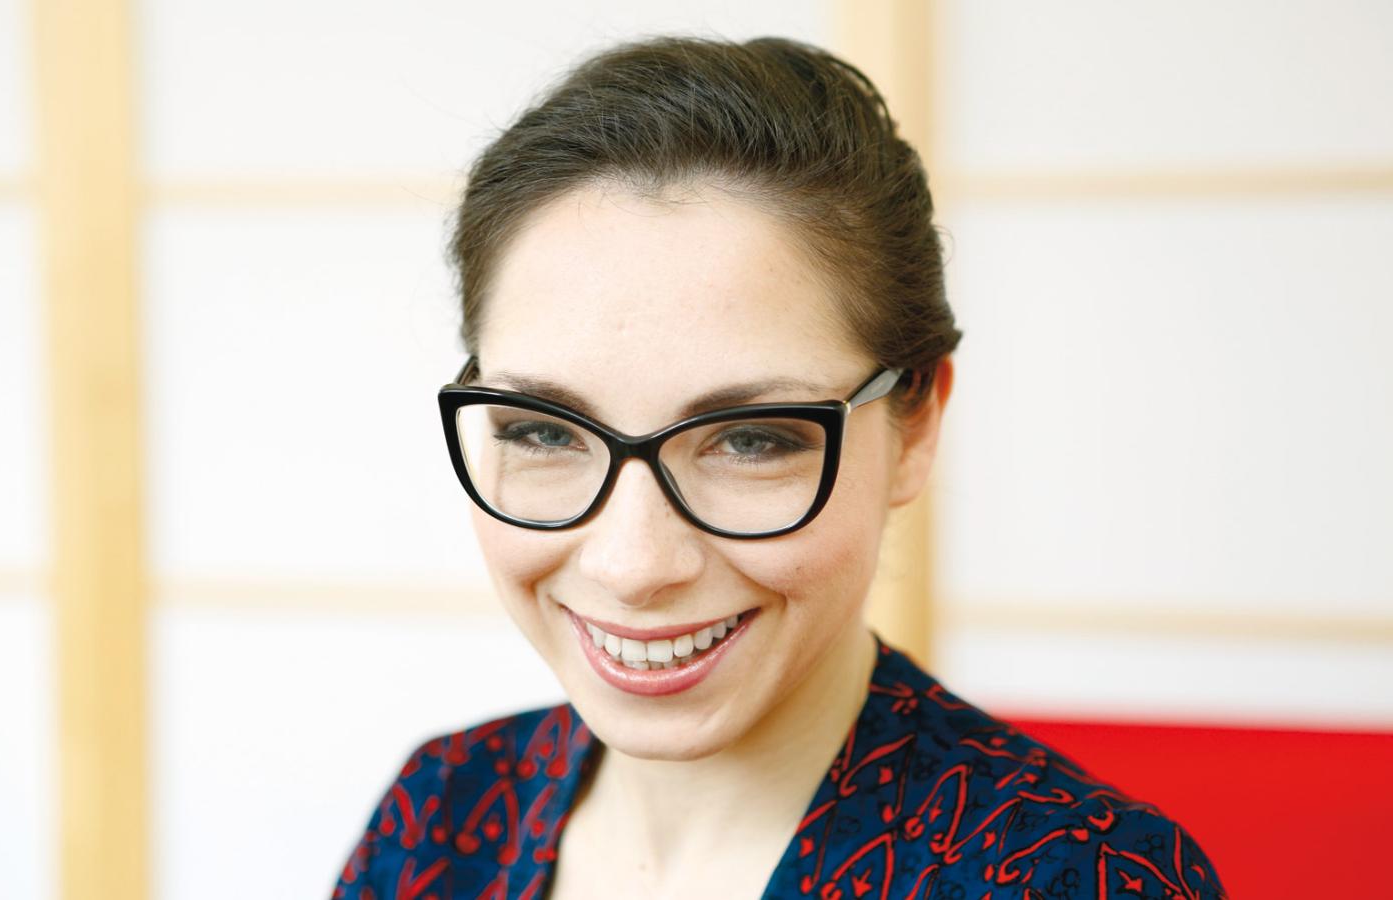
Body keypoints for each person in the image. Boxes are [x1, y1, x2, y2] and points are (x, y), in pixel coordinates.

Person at [333, 35, 1226, 900]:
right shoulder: (441, 812)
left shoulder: (1078, 879)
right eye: (544, 432)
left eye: (751, 440)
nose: (633, 566)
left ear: (915, 423)